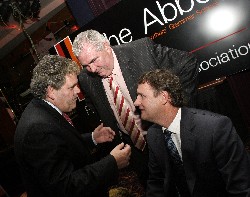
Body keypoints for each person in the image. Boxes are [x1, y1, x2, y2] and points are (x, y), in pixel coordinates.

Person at [72, 30, 199, 186]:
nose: (92, 69)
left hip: (167, 138)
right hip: (135, 152)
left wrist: (178, 113)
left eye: (94, 60)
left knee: (189, 183)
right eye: (86, 65)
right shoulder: (86, 79)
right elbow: (95, 107)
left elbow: (188, 63)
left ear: (106, 46)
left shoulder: (141, 49)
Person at [14, 55, 131, 197]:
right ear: (51, 91)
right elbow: (64, 187)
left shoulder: (42, 110)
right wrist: (112, 164)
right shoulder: (38, 129)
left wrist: (93, 138)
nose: (77, 91)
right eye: (72, 87)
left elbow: (60, 146)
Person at [134, 69, 250, 196]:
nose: (136, 102)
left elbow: (241, 186)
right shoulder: (153, 135)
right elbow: (157, 183)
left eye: (142, 96)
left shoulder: (214, 128)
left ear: (164, 97)